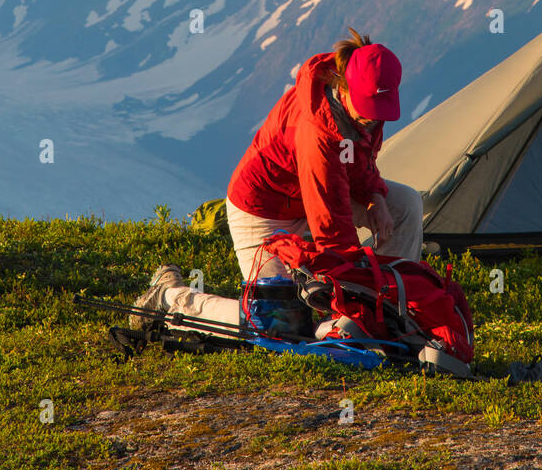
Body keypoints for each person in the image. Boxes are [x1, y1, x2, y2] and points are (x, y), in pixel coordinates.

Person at [131, 28, 424, 327]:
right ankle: (169, 298)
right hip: (264, 212)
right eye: (366, 112)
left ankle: (393, 306)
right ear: (344, 87)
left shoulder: (365, 104)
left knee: (405, 204)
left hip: (316, 197)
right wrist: (350, 298)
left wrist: (375, 196)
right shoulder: (316, 131)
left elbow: (357, 159)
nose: (372, 119)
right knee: (276, 323)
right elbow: (331, 228)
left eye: (378, 113)